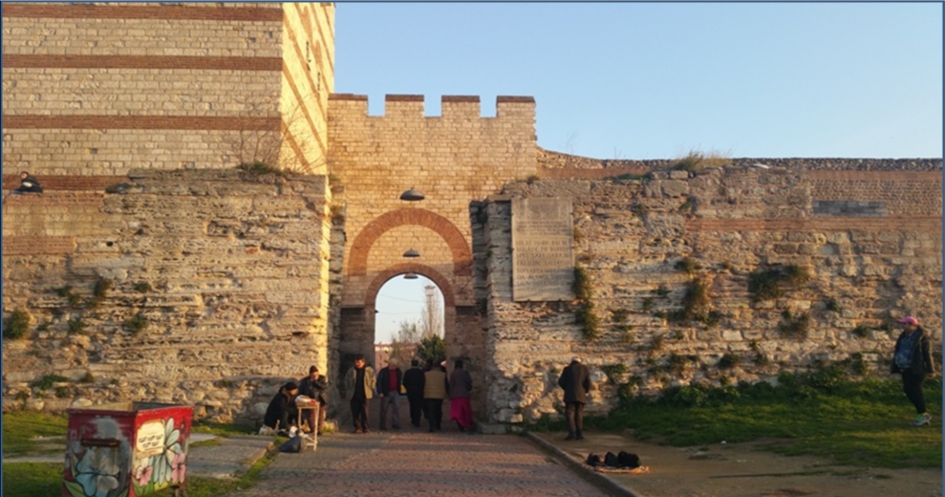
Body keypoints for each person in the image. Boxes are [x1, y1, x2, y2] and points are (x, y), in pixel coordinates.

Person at [891, 316, 936, 426]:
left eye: (904, 324)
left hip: (917, 368)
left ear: (912, 325)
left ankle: (923, 414)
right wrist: (895, 369)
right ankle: (922, 415)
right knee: (909, 390)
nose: (902, 326)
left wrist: (931, 370)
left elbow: (927, 353)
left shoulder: (922, 337)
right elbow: (898, 352)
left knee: (914, 390)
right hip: (905, 368)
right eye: (902, 324)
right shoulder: (903, 337)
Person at [557, 356, 591, 440]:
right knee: (579, 413)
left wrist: (566, 388)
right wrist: (585, 391)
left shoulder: (567, 369)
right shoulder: (585, 369)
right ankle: (579, 434)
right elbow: (588, 382)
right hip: (581, 395)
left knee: (569, 413)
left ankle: (572, 433)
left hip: (569, 394)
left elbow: (561, 382)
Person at [344, 355, 375, 434]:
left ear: (363, 362)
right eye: (356, 362)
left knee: (365, 412)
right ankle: (357, 427)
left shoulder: (369, 370)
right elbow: (346, 380)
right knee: (355, 412)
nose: (357, 364)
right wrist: (348, 388)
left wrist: (371, 387)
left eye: (359, 362)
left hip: (365, 394)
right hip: (354, 394)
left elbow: (373, 379)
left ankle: (365, 427)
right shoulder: (351, 371)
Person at [298, 365, 328, 435]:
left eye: (316, 374)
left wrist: (315, 381)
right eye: (313, 375)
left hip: (320, 398)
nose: (315, 376)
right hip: (310, 399)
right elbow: (302, 389)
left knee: (320, 415)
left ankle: (319, 429)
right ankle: (313, 429)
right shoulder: (305, 381)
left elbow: (323, 386)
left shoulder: (321, 378)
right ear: (310, 374)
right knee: (311, 415)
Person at [422, 359, 449, 432]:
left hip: (428, 394)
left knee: (431, 411)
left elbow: (422, 384)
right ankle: (438, 424)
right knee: (438, 410)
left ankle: (432, 426)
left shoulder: (426, 374)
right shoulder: (443, 375)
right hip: (439, 395)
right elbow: (446, 385)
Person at [376, 358, 403, 430]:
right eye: (393, 365)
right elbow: (379, 382)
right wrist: (380, 392)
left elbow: (399, 380)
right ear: (390, 364)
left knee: (396, 408)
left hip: (395, 391)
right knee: (384, 409)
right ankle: (382, 424)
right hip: (386, 392)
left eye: (395, 366)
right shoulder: (384, 371)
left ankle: (395, 423)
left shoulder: (398, 371)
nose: (394, 367)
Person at [448, 359, 474, 432]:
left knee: (457, 411)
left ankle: (460, 424)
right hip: (464, 394)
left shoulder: (453, 373)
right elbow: (469, 381)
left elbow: (451, 385)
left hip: (455, 395)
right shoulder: (465, 373)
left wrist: (450, 394)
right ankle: (467, 424)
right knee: (465, 411)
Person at [402, 359, 426, 427]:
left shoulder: (408, 372)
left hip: (410, 391)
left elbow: (404, 382)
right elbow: (423, 381)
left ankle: (413, 418)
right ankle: (417, 420)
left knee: (412, 405)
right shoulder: (421, 372)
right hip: (419, 392)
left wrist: (408, 388)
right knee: (418, 406)